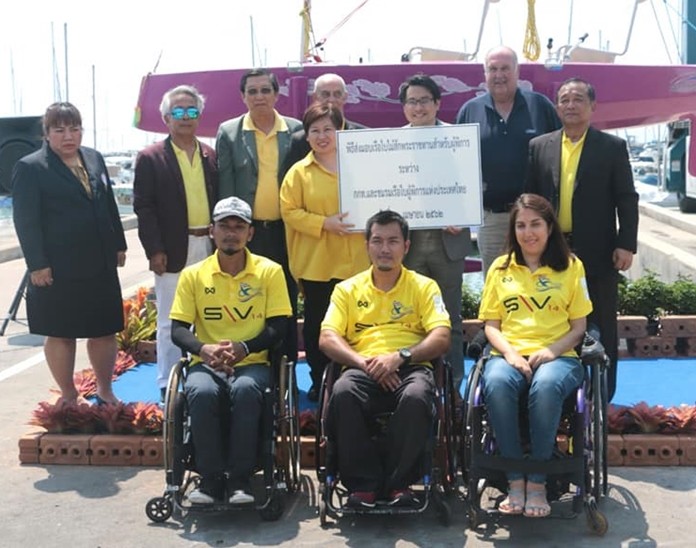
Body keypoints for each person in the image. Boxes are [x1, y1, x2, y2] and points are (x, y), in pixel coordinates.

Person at [319, 210, 451, 508]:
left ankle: (397, 485)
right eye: (377, 241)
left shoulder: (424, 287)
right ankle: (363, 485)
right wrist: (366, 363)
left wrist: (400, 357)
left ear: (406, 246)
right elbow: (327, 338)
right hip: (362, 367)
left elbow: (441, 336)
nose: (384, 248)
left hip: (410, 366)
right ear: (367, 245)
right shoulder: (347, 290)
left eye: (393, 241)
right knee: (342, 392)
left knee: (418, 397)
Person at [169, 196, 292, 505]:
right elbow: (178, 330)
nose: (231, 233)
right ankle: (209, 481)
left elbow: (280, 326)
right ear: (212, 231)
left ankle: (241, 480)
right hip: (205, 363)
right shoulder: (193, 274)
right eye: (225, 226)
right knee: (201, 392)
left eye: (239, 227)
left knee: (248, 390)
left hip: (253, 362)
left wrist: (244, 347)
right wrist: (205, 349)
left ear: (250, 233)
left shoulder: (270, 271)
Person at [478, 193, 593, 518]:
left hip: (559, 356)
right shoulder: (500, 268)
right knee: (497, 382)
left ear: (549, 227)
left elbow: (579, 327)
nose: (528, 232)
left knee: (546, 386)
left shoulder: (571, 266)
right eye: (521, 225)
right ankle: (515, 480)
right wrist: (511, 354)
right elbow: (491, 326)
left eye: (535, 224)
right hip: (509, 353)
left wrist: (550, 350)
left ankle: (539, 483)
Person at [525, 77, 639, 402]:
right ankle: (557, 396)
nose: (571, 105)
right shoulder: (539, 146)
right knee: (553, 320)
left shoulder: (611, 147)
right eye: (564, 100)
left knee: (601, 323)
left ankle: (603, 397)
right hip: (550, 251)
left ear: (592, 106)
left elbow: (626, 198)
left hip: (599, 251)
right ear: (557, 106)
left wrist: (626, 243)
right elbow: (529, 200)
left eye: (578, 99)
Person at [12, 102, 127, 405]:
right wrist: (37, 265)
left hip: (100, 263)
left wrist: (118, 243)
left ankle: (104, 388)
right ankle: (68, 393)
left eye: (74, 129)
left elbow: (108, 204)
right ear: (46, 134)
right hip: (57, 267)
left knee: (104, 328)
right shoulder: (30, 167)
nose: (68, 136)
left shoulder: (95, 158)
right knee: (61, 331)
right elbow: (26, 221)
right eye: (60, 130)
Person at [133, 85, 218, 399]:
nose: (186, 118)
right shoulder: (150, 158)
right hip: (171, 250)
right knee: (171, 319)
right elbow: (144, 207)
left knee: (208, 315)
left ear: (199, 116)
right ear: (166, 118)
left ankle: (204, 372)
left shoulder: (210, 154)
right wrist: (155, 250)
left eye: (192, 111)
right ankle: (167, 382)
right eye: (178, 112)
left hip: (209, 247)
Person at [280, 103, 369, 401]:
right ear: (305, 137)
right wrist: (324, 224)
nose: (322, 136)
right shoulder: (298, 173)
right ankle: (320, 379)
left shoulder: (362, 165)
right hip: (317, 264)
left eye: (328, 129)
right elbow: (289, 212)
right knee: (319, 325)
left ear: (341, 130)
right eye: (314, 130)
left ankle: (353, 377)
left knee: (356, 323)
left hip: (357, 263)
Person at [216, 68, 302, 364]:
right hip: (247, 233)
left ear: (276, 94)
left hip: (287, 232)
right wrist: (229, 231)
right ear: (243, 96)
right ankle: (250, 361)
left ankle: (285, 364)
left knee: (285, 299)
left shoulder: (296, 130)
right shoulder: (229, 132)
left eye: (265, 90)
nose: (259, 96)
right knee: (248, 297)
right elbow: (225, 189)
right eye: (252, 91)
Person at [456, 45, 560, 276]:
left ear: (517, 71)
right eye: (493, 69)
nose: (499, 75)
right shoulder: (469, 111)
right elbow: (457, 167)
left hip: (535, 220)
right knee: (496, 285)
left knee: (538, 283)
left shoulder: (540, 106)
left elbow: (560, 156)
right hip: (492, 218)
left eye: (505, 68)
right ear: (485, 75)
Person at [399, 73, 473, 392]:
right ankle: (417, 381)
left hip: (448, 242)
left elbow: (470, 186)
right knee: (413, 319)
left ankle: (454, 384)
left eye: (424, 100)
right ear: (404, 107)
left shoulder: (459, 140)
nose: (418, 107)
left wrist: (463, 214)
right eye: (411, 101)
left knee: (450, 318)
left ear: (437, 104)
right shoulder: (390, 144)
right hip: (409, 243)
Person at [280, 72, 366, 179]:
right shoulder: (299, 141)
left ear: (345, 97)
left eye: (337, 94)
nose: (331, 99)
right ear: (315, 97)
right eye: (325, 94)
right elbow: (287, 181)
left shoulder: (363, 136)